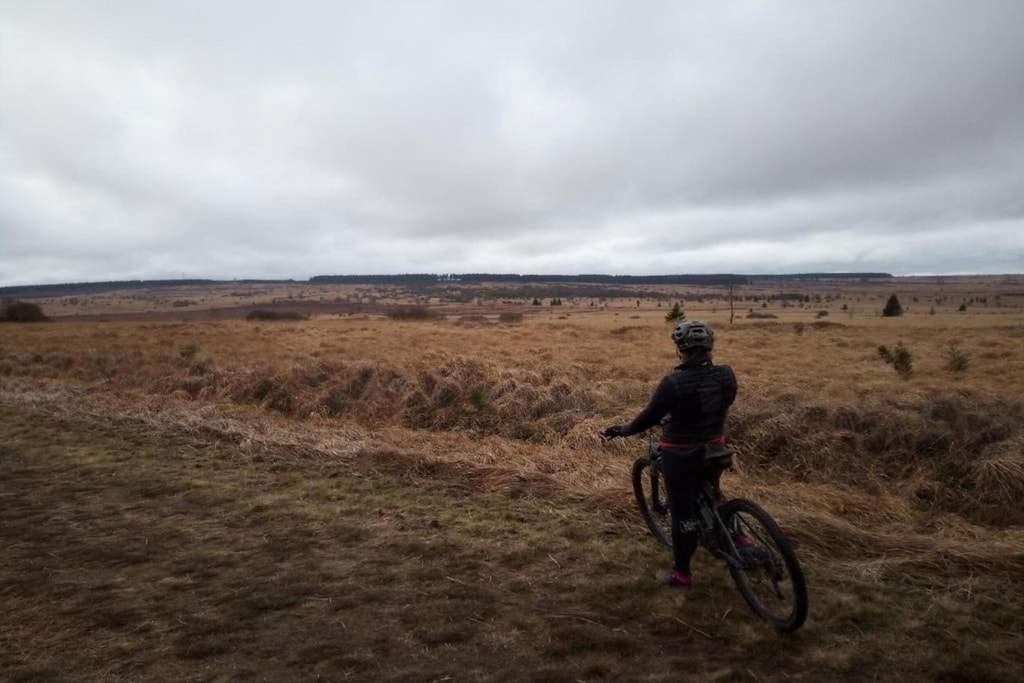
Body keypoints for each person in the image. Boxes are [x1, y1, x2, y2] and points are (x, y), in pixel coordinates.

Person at [602, 320, 738, 588]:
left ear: (680, 349)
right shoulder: (726, 374)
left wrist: (623, 430)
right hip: (716, 448)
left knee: (682, 513)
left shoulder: (674, 382)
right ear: (710, 345)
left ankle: (682, 574)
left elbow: (648, 418)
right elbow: (722, 403)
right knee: (714, 494)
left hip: (681, 454)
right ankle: (740, 537)